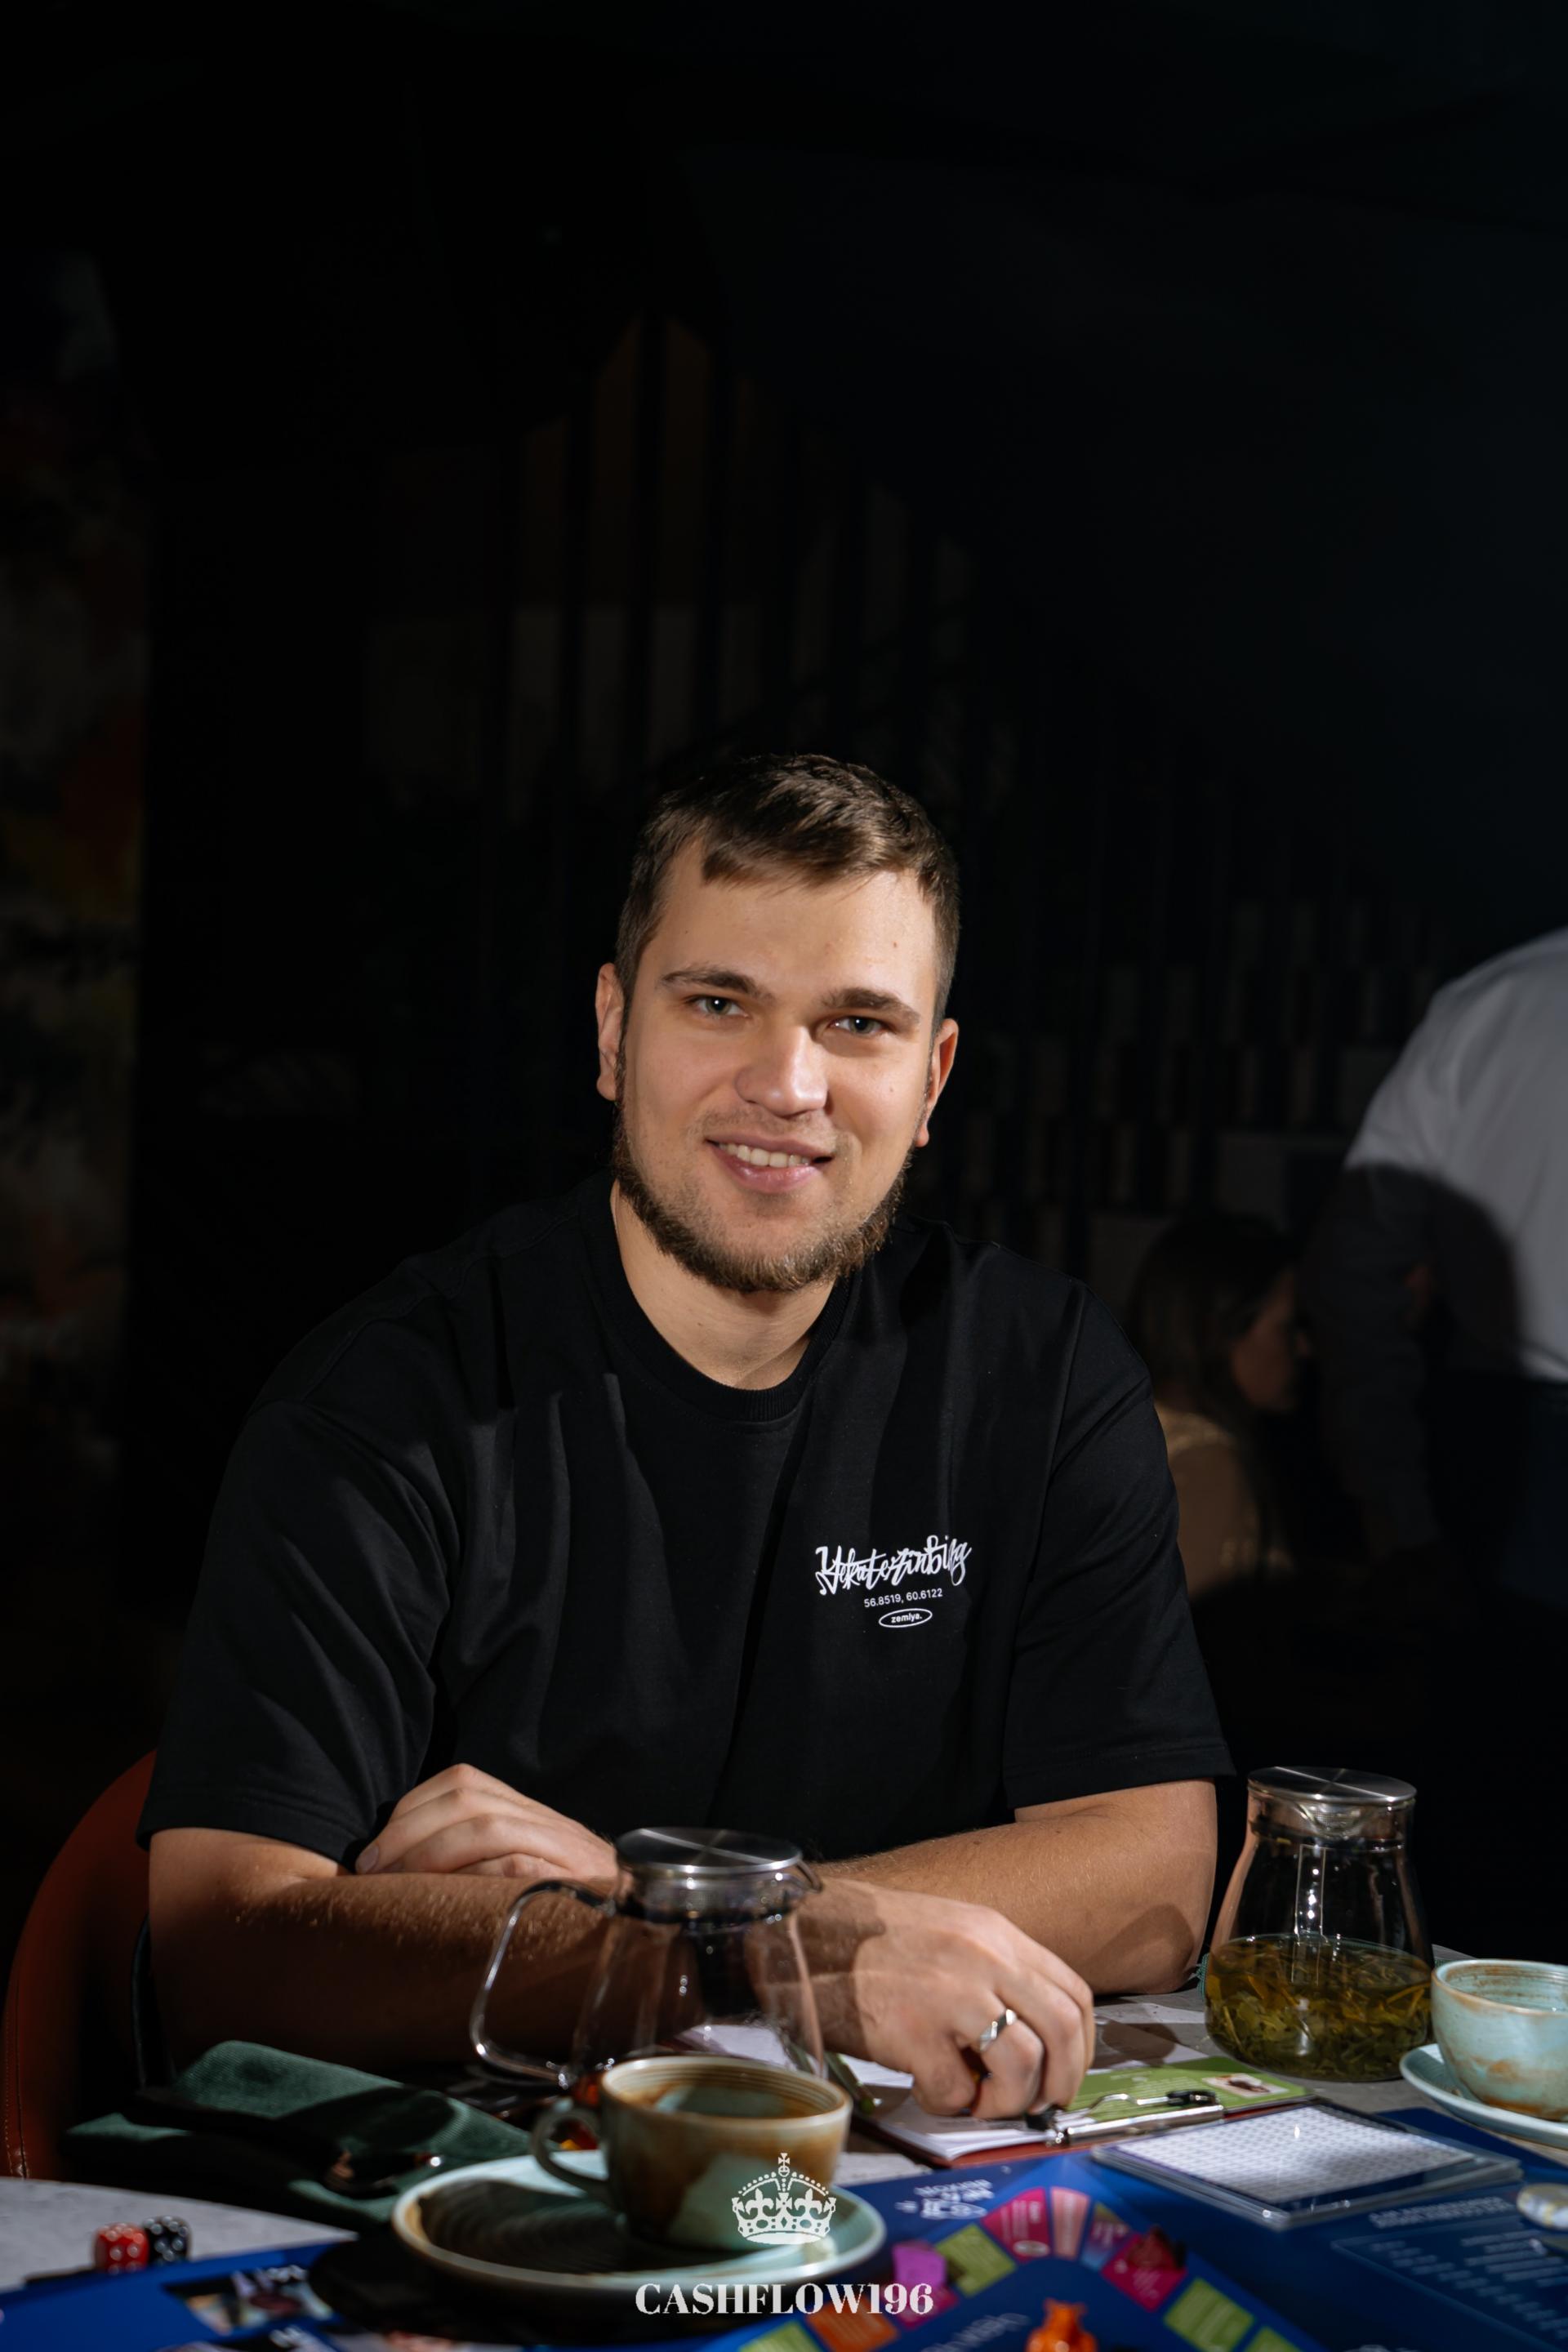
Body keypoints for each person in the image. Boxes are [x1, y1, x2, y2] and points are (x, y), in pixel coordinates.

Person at [143, 755, 1228, 2122]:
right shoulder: (388, 1405)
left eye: (858, 1024)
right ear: (612, 1033)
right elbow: (223, 1951)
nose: (788, 1083)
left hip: (898, 2168)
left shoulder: (1042, 1373)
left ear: (933, 1078)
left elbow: (1154, 1874)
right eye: (719, 1003)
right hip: (487, 2177)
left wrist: (658, 1908)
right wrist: (765, 1950)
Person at [1303, 926, 1568, 1611]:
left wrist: (1391, 1506)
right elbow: (1353, 1268)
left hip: (1498, 1448)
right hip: (1505, 1452)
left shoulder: (1488, 1002)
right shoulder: (1488, 1002)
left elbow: (1352, 1267)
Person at [1124, 1215, 1305, 1604]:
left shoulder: (1122, 1424)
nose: (1304, 1347)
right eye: (1287, 1327)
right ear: (1218, 1330)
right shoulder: (1206, 1462)